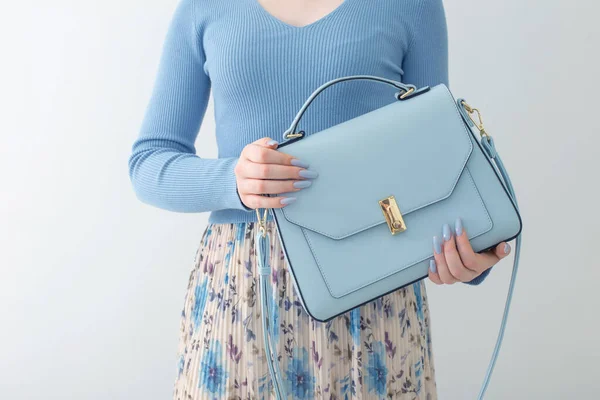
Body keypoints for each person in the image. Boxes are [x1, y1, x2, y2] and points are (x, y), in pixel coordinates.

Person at [127, 0, 512, 398]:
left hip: (373, 287)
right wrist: (233, 180)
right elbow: (148, 162)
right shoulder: (205, 7)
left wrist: (466, 260)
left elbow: (435, 150)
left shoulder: (412, 5)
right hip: (243, 291)